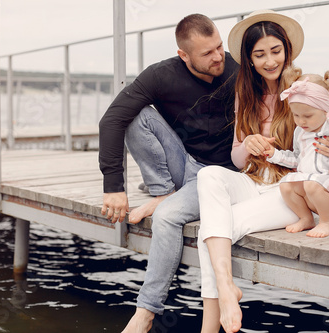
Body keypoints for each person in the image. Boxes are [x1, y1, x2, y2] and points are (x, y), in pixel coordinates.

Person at [194, 9, 329, 333]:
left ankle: (211, 322)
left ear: (286, 50)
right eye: (259, 54)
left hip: (290, 191)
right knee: (208, 175)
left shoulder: (304, 89)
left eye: (275, 51)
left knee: (211, 229)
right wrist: (247, 143)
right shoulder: (245, 92)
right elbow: (236, 161)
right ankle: (226, 287)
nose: (269, 61)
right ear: (249, 59)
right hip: (252, 181)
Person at [98, 14, 239, 332]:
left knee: (166, 218)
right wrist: (113, 186)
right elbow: (111, 120)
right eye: (207, 53)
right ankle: (163, 192)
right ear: (184, 56)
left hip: (218, 177)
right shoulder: (162, 75)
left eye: (219, 46)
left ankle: (145, 313)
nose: (218, 56)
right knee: (134, 116)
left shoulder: (237, 69)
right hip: (186, 163)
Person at [265, 66, 329, 238]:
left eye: (307, 116)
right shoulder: (300, 132)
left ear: (324, 109)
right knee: (285, 185)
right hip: (311, 191)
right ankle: (306, 218)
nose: (301, 121)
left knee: (312, 184)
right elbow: (297, 159)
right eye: (296, 115)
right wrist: (274, 154)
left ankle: (327, 223)